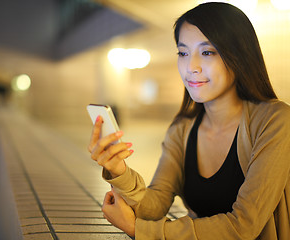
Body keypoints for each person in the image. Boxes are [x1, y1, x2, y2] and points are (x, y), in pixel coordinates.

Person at [88, 2, 290, 239]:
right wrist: (118, 169)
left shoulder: (275, 121)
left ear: (239, 56)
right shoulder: (182, 128)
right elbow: (154, 206)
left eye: (207, 52)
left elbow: (244, 225)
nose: (190, 67)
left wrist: (137, 229)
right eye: (183, 53)